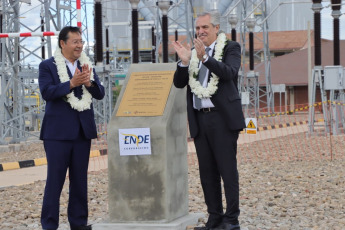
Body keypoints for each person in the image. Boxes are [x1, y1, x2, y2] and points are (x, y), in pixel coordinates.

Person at [172, 11, 245, 230]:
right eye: (198, 29)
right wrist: (185, 63)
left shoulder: (230, 48)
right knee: (207, 173)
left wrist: (205, 58)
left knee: (227, 171)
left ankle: (231, 220)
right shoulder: (192, 53)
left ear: (216, 29)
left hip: (222, 119)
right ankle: (214, 218)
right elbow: (178, 83)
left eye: (205, 27)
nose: (201, 32)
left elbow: (229, 73)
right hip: (200, 120)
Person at [39, 26, 105, 230]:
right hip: (57, 134)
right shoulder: (47, 66)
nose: (79, 46)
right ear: (62, 43)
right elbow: (47, 92)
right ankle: (49, 224)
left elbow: (100, 93)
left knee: (79, 180)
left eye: (81, 42)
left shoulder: (86, 65)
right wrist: (71, 83)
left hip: (82, 133)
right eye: (75, 41)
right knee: (55, 180)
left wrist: (87, 83)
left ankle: (78, 223)